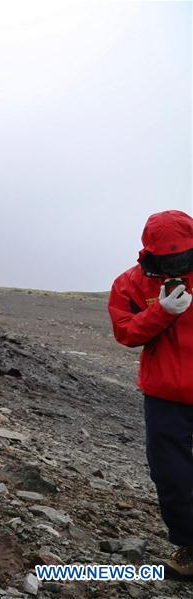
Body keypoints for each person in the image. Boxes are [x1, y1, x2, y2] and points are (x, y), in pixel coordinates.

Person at [108, 210, 193, 579]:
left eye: (183, 255)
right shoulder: (130, 283)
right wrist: (162, 312)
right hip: (165, 393)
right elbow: (126, 333)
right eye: (167, 256)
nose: (176, 262)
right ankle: (190, 545)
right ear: (148, 252)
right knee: (172, 474)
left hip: (167, 390)